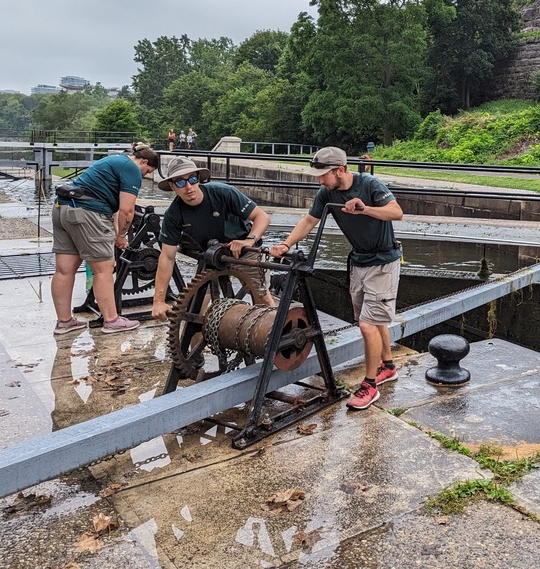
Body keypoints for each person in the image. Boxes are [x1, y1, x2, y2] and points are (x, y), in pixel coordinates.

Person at [269, 147, 403, 411]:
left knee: (368, 324)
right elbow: (309, 221)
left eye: (324, 175)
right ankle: (388, 367)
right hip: (359, 261)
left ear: (340, 170)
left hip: (383, 262)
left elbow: (396, 212)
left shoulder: (370, 184)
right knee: (371, 320)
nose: (320, 181)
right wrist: (285, 244)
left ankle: (370, 386)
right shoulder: (327, 193)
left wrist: (365, 209)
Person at [51, 142, 160, 335]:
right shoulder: (132, 169)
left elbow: (115, 209)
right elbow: (127, 210)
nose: (144, 176)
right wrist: (121, 236)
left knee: (64, 270)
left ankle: (64, 322)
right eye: (147, 171)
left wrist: (117, 232)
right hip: (88, 213)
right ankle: (112, 321)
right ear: (143, 161)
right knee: (104, 269)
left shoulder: (115, 160)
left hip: (63, 209)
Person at [151, 157, 274, 321]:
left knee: (263, 299)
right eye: (180, 182)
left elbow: (262, 217)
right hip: (211, 257)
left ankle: (276, 332)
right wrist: (158, 301)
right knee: (194, 311)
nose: (189, 187)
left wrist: (249, 240)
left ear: (198, 179)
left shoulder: (223, 192)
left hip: (245, 251)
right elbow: (167, 257)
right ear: (172, 186)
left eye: (192, 179)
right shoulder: (173, 214)